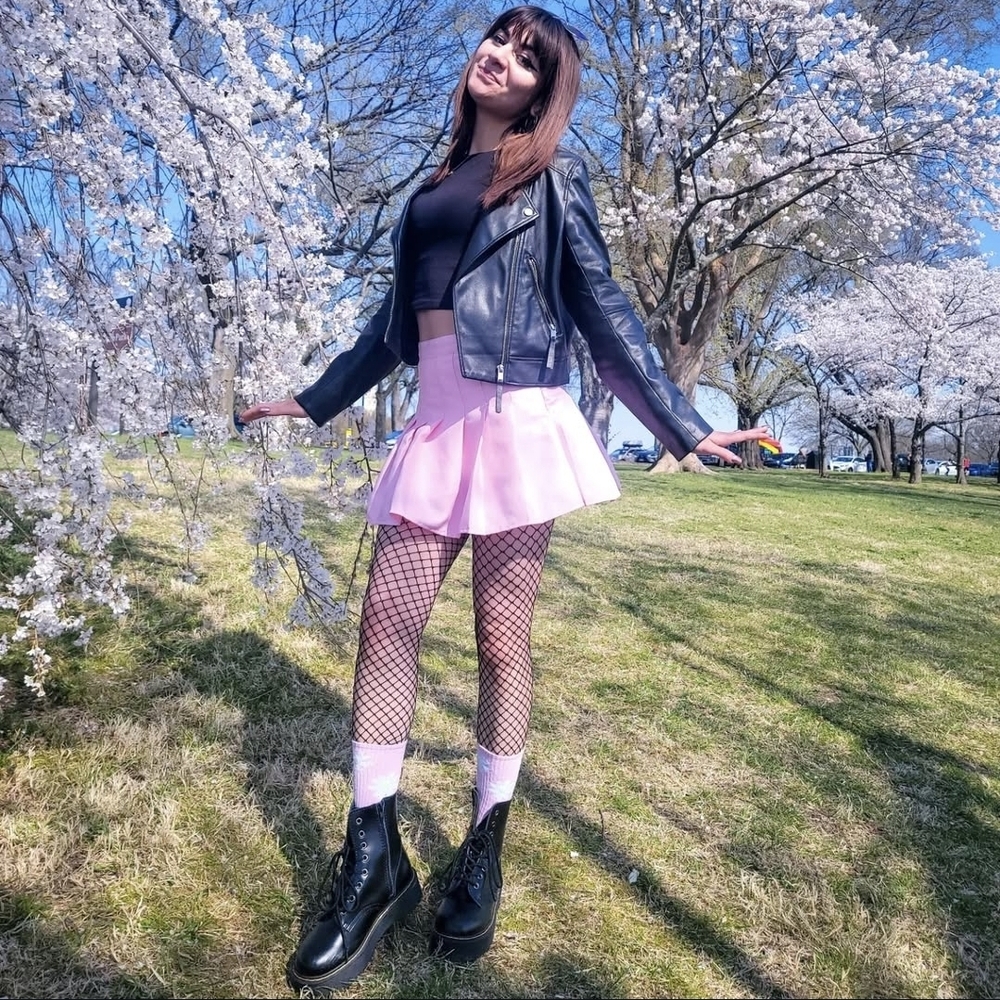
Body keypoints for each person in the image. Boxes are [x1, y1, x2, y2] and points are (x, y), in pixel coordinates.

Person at [239, 7, 767, 994]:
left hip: (518, 419)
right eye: (498, 38)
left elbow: (604, 311)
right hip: (435, 423)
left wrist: (683, 425)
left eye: (528, 56)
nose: (502, 56)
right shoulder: (431, 190)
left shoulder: (554, 181)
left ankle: (483, 841)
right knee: (386, 620)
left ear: (542, 88)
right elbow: (393, 327)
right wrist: (310, 400)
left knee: (498, 638)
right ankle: (372, 857)